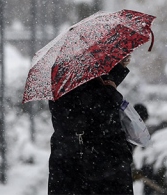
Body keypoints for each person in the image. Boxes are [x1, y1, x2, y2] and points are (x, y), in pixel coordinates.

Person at [48, 55, 133, 195]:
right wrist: (112, 90)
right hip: (102, 164)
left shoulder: (60, 83)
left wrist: (118, 70)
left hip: (67, 164)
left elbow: (93, 93)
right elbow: (101, 104)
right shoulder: (93, 91)